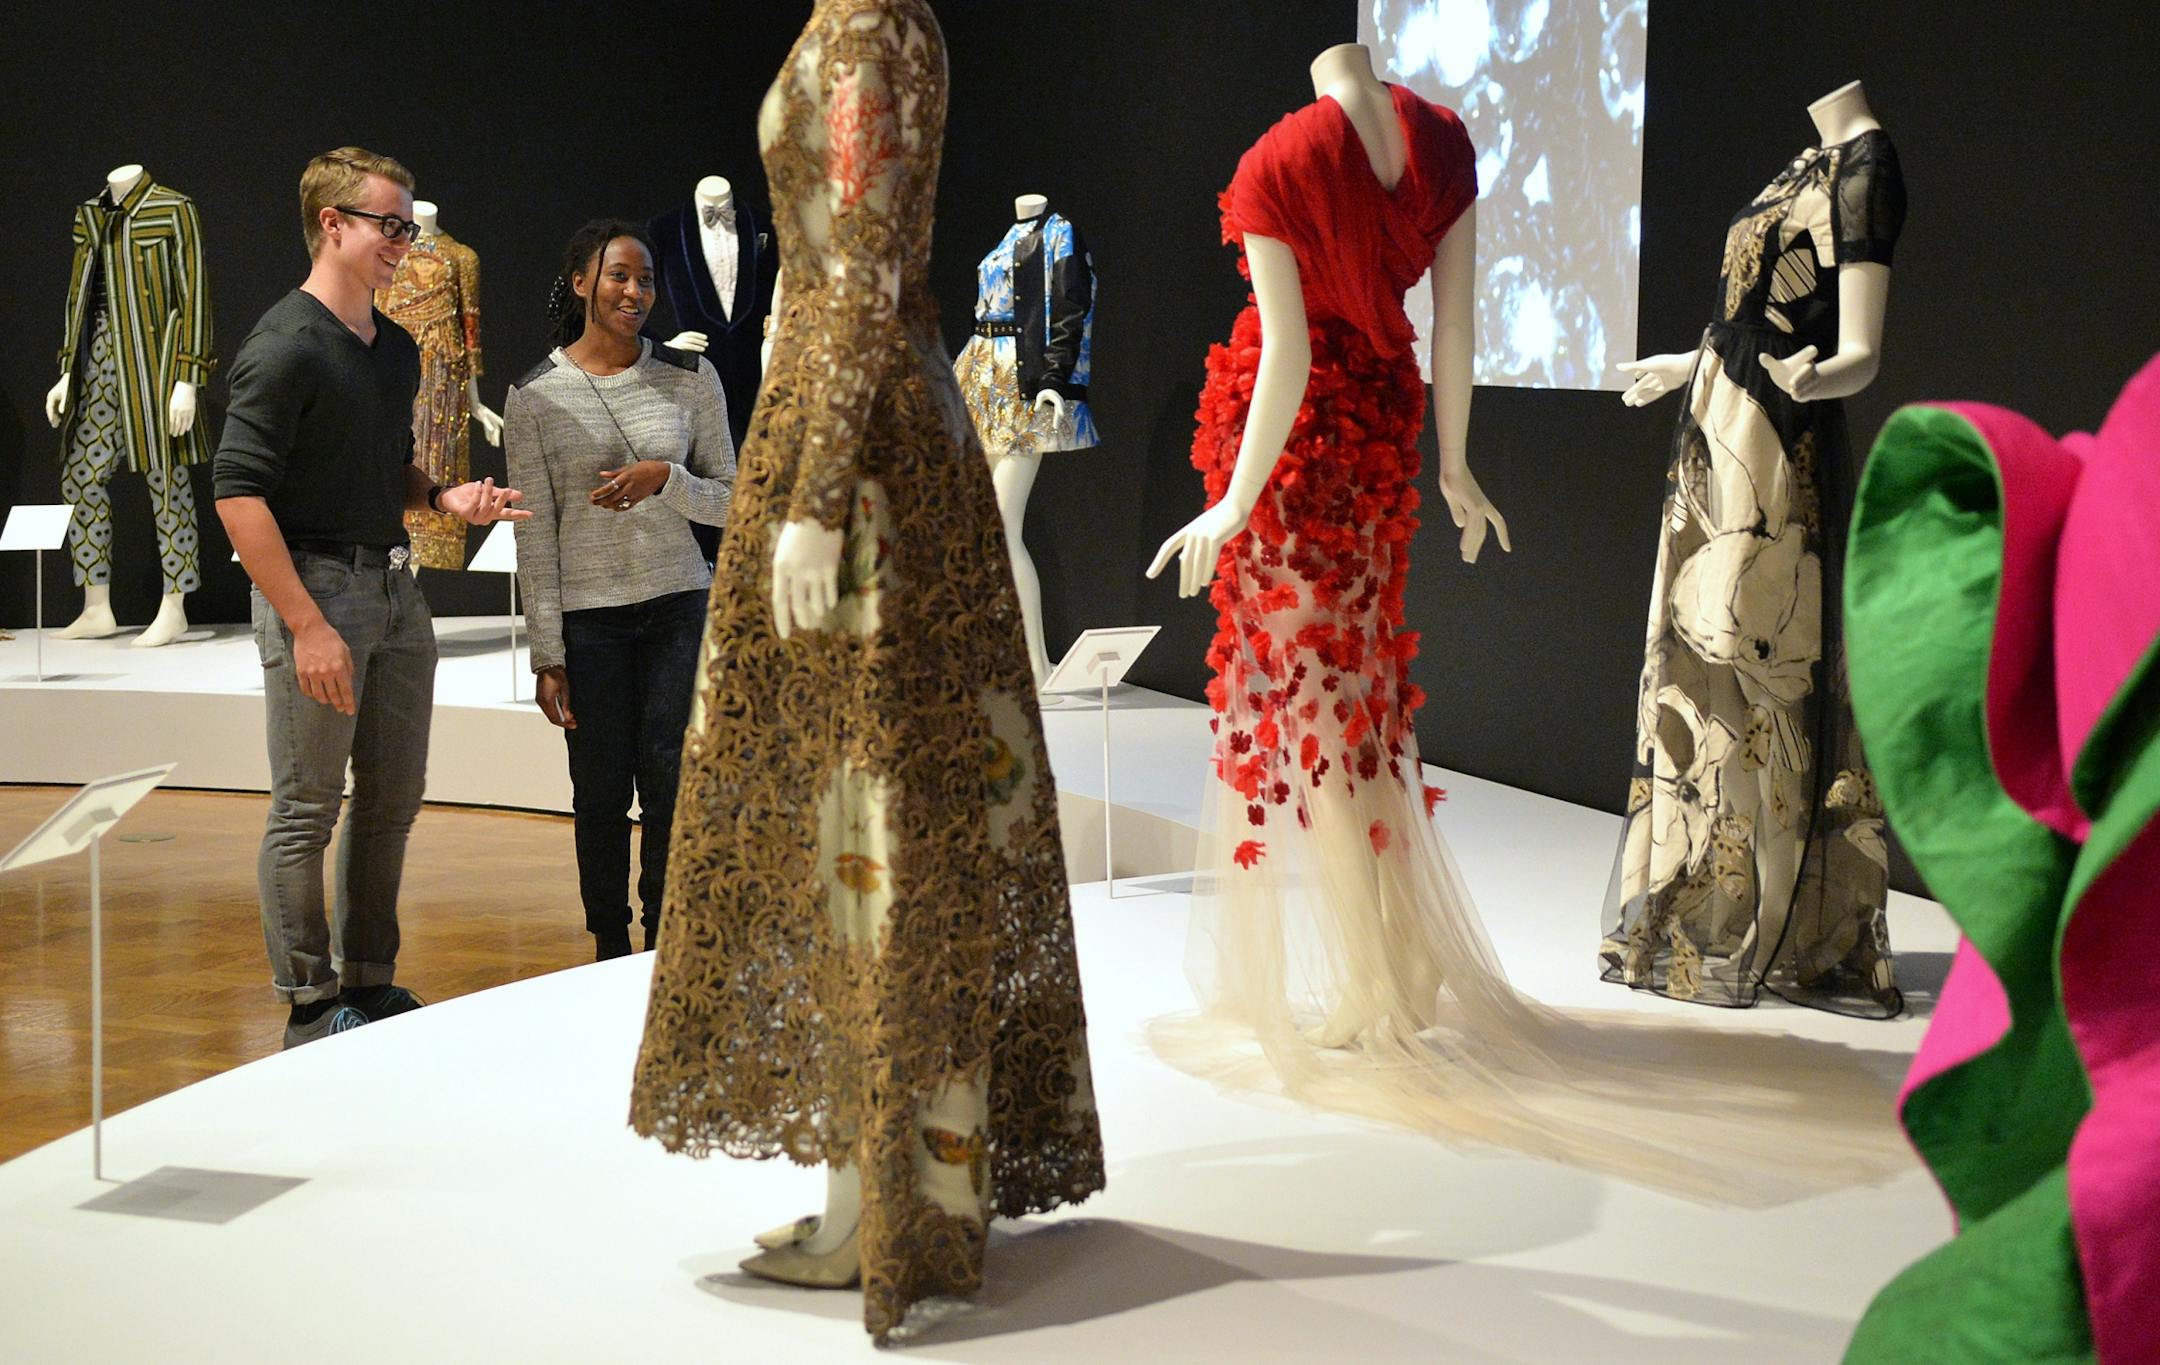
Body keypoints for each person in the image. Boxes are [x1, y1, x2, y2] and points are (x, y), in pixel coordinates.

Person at [214, 147, 528, 1049]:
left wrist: (440, 498)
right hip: (316, 589)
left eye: (408, 223)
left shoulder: (392, 348)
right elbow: (239, 493)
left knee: (391, 796)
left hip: (393, 587)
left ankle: (368, 979)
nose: (405, 238)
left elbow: (375, 464)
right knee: (307, 805)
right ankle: (309, 1003)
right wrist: (305, 623)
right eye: (389, 223)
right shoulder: (284, 344)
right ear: (333, 224)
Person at [505, 220, 736, 961]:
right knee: (599, 791)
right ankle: (608, 941)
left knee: (673, 784)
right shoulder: (534, 397)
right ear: (581, 283)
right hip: (590, 621)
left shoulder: (691, 377)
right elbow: (534, 536)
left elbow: (737, 500)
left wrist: (667, 480)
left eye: (645, 279)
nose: (636, 292)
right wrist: (547, 652)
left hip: (678, 606)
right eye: (618, 276)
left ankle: (665, 941)